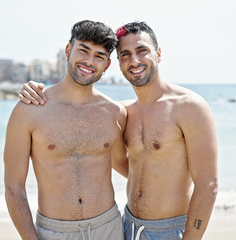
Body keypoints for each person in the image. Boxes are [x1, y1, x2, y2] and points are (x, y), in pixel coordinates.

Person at [20, 21, 218, 240]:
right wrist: (35, 92)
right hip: (126, 228)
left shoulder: (189, 107)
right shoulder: (121, 112)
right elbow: (121, 162)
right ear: (117, 64)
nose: (134, 61)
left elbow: (208, 185)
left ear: (158, 54)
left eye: (142, 51)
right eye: (125, 54)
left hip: (170, 231)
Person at [4, 20, 127, 240]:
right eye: (83, 50)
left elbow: (130, 168)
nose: (89, 61)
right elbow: (14, 187)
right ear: (68, 50)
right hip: (54, 232)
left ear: (107, 65)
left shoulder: (115, 113)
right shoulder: (30, 110)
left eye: (99, 56)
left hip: (108, 227)